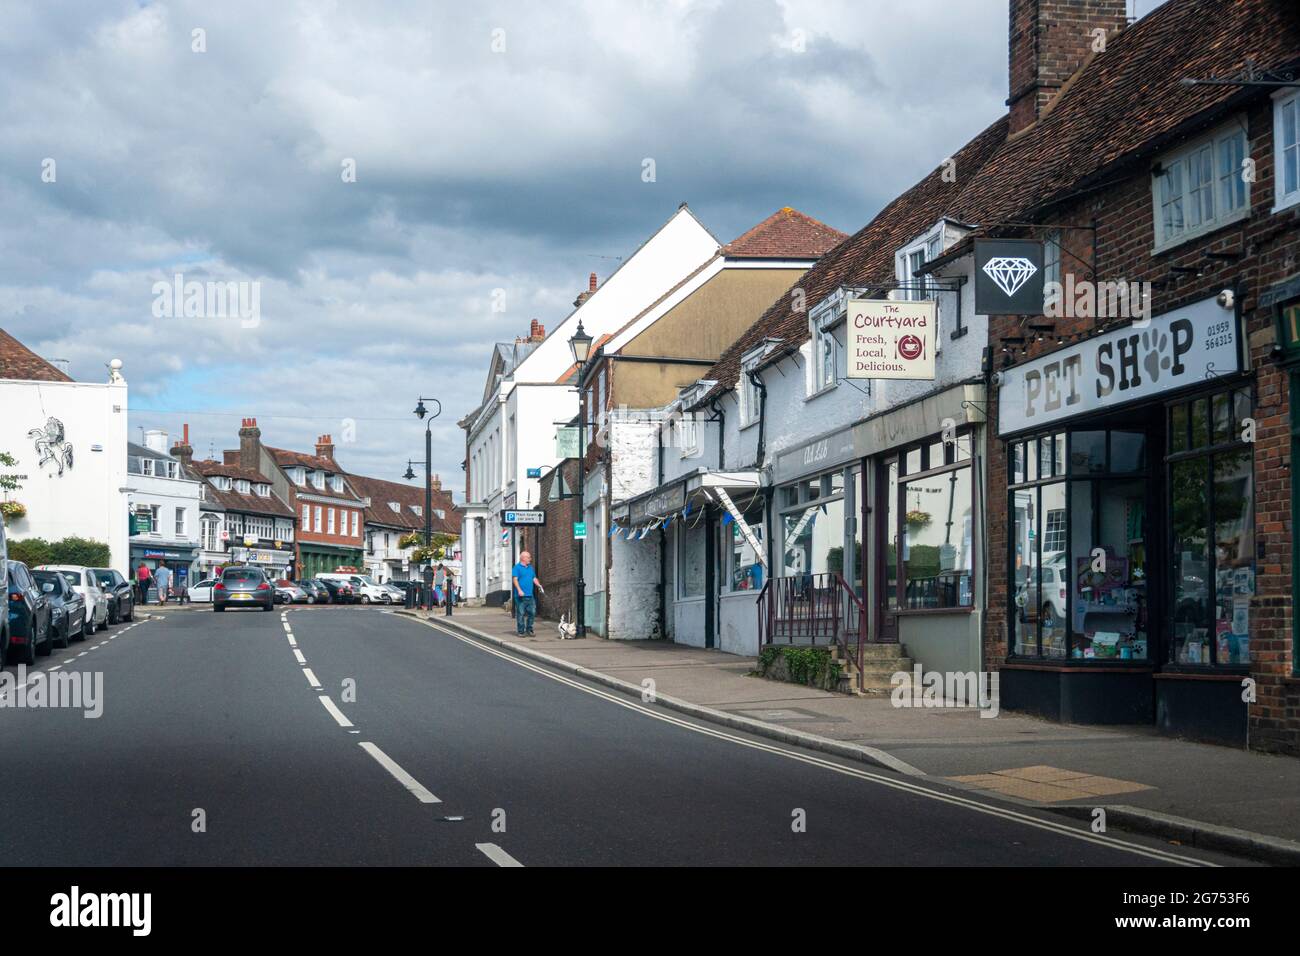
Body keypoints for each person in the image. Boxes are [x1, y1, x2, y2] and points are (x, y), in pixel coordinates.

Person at [511, 551, 543, 636]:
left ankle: (529, 629)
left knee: (532, 613)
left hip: (530, 595)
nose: (530, 559)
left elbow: (534, 578)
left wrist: (539, 585)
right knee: (521, 613)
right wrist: (519, 590)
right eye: (528, 557)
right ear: (523, 558)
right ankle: (521, 631)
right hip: (520, 596)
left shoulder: (530, 568)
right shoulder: (516, 568)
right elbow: (515, 580)